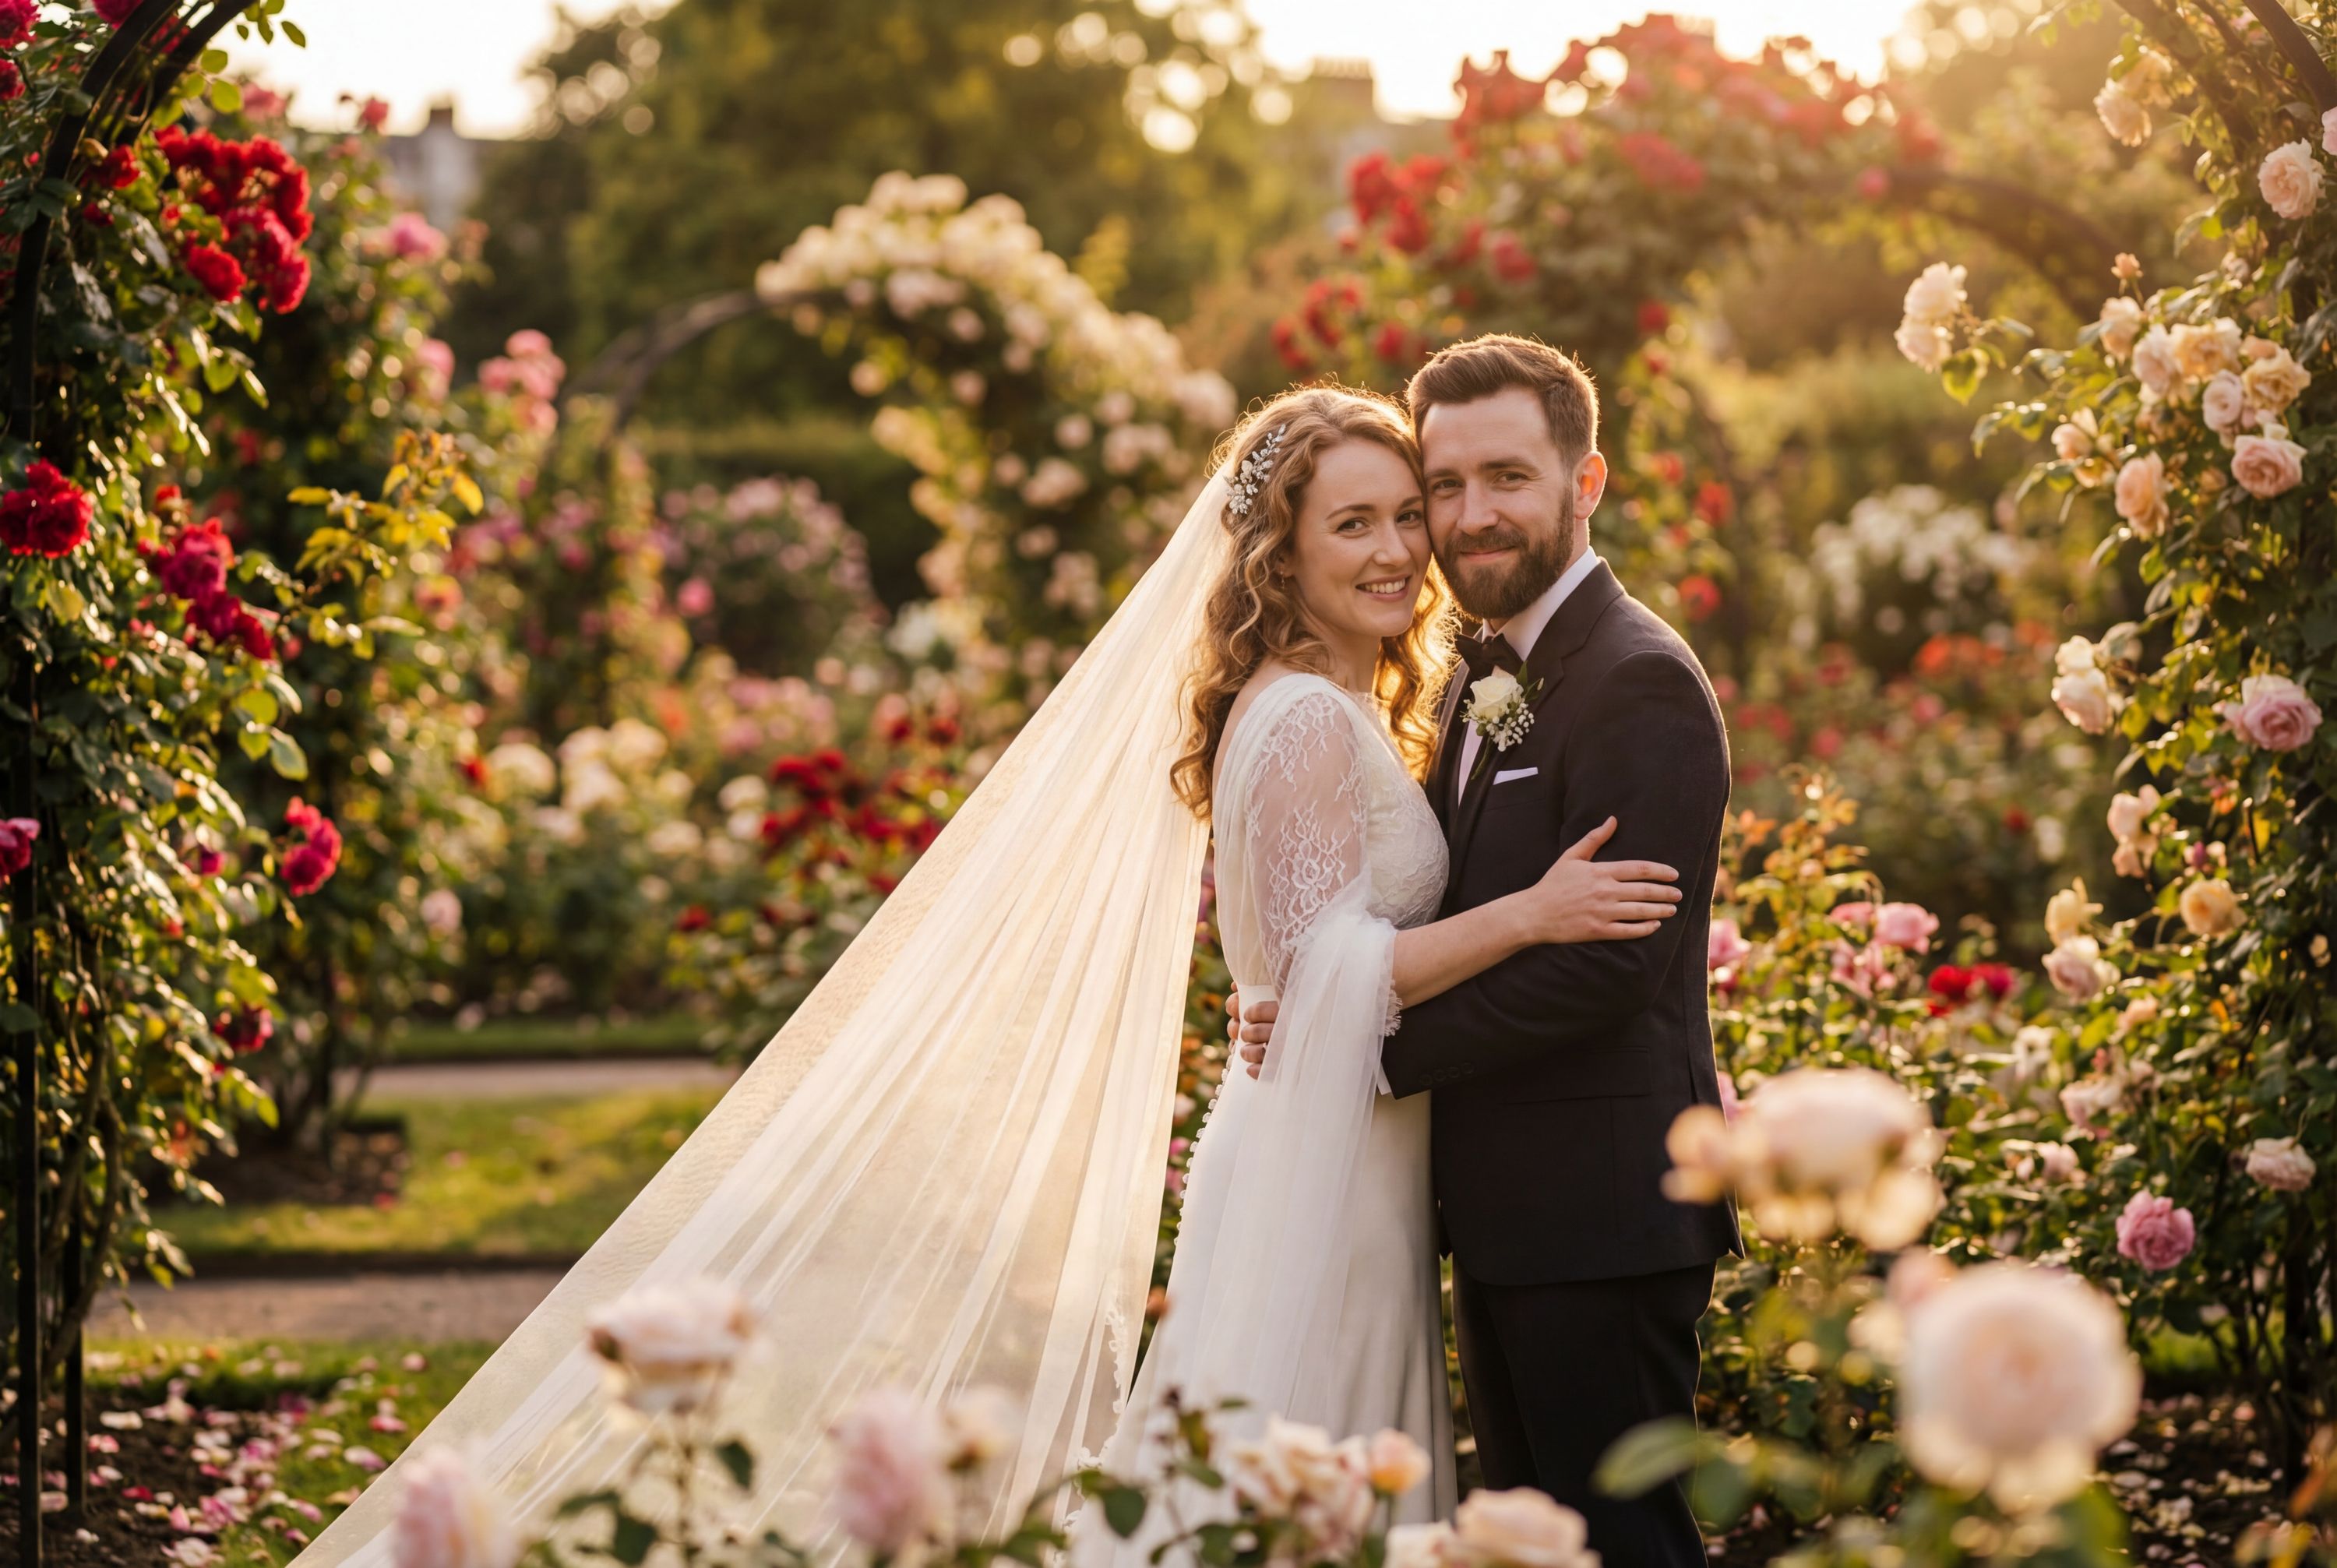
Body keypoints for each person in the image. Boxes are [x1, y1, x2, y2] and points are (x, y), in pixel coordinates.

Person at [1070, 384, 1683, 1561]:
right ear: (1280, 552)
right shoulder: (1304, 713)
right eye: (1353, 524)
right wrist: (1530, 915)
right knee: (1312, 1464)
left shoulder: (1358, 701)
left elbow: (1309, 967)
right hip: (1330, 1167)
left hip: (1354, 1145)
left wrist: (1290, 1000)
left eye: (1409, 513)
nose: (1401, 549)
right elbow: (1324, 975)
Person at [1236, 337, 1742, 1568]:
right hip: (1502, 1213)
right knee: (1534, 1542)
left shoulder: (1637, 680)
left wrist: (1359, 1041)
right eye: (1444, 486)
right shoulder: (1470, 671)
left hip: (1599, 1217)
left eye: (1507, 477)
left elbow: (1604, 965)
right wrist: (1322, 994)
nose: (1469, 517)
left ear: (1587, 480)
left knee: (1619, 1543)